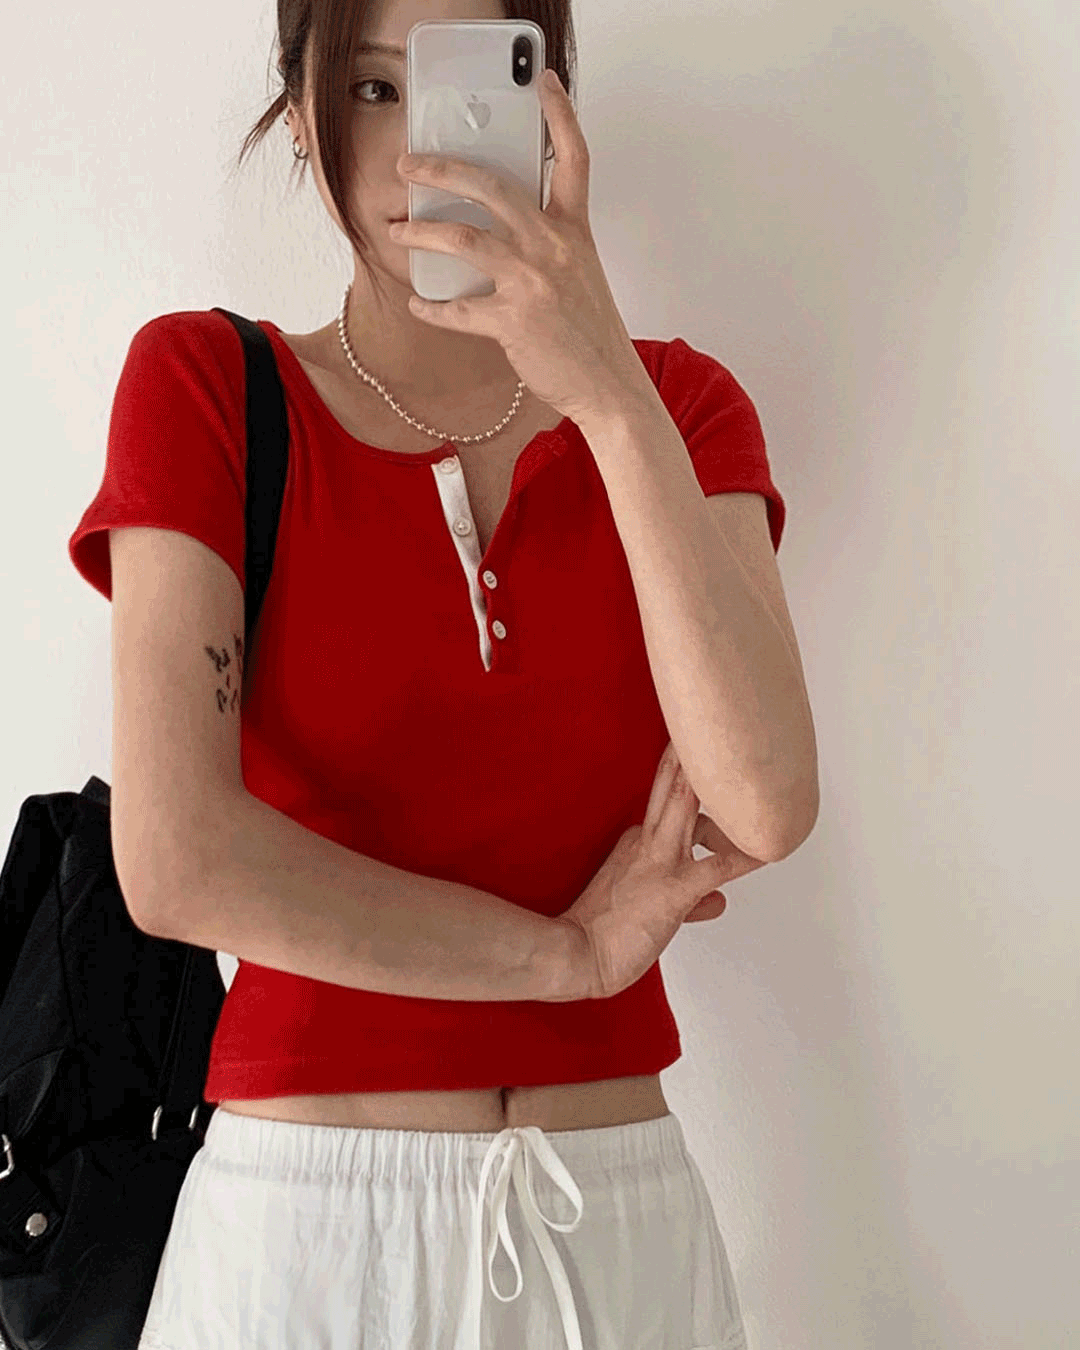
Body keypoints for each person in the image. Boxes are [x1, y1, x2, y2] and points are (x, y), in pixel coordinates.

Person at [69, 0, 807, 1344]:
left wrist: (607, 391)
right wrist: (563, 958)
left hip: (614, 1223)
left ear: (551, 105)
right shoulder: (209, 389)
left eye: (473, 85)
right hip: (305, 1234)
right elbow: (177, 861)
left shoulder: (677, 409)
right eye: (370, 91)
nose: (424, 150)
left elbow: (764, 798)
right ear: (301, 116)